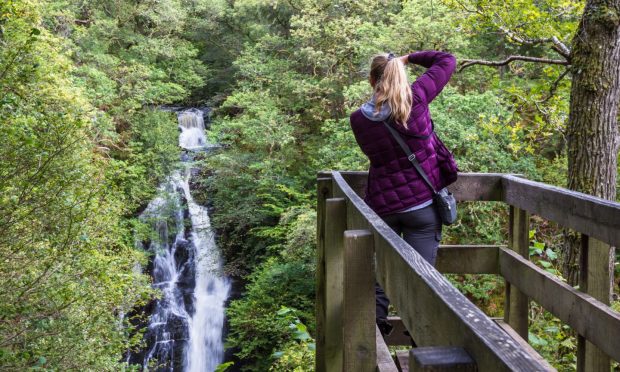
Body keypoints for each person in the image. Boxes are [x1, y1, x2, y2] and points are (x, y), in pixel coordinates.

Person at [349, 50, 458, 336]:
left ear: (372, 80)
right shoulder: (417, 98)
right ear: (401, 74)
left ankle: (374, 335)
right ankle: (418, 335)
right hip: (422, 207)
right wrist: (409, 58)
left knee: (380, 270)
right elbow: (447, 60)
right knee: (420, 276)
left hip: (383, 207)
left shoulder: (358, 120)